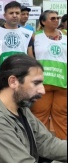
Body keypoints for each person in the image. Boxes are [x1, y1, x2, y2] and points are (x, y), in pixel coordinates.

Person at [0, 54, 67, 163]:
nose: (42, 91)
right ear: (13, 81)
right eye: (36, 83)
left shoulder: (21, 108)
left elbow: (46, 143)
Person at [31, 10, 67, 140]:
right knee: (39, 115)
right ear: (43, 22)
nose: (56, 20)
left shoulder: (66, 35)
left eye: (57, 18)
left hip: (62, 83)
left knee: (62, 116)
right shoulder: (35, 36)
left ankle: (64, 149)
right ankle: (41, 149)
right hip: (42, 83)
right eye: (52, 18)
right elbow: (30, 58)